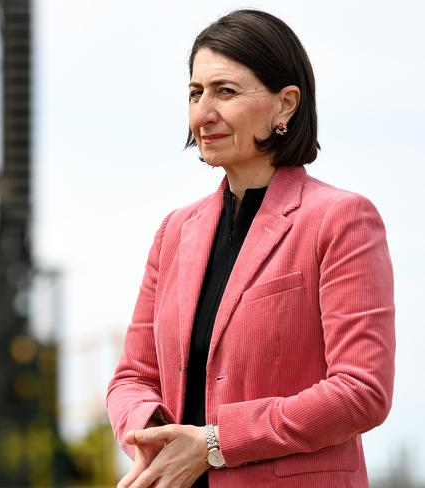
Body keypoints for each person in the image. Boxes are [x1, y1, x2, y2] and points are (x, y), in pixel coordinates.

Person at [106, 9, 395, 488]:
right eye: (195, 93)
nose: (203, 113)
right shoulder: (173, 232)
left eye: (226, 91)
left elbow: (361, 391)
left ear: (286, 105)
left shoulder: (342, 220)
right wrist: (155, 438)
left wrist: (216, 443)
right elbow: (132, 376)